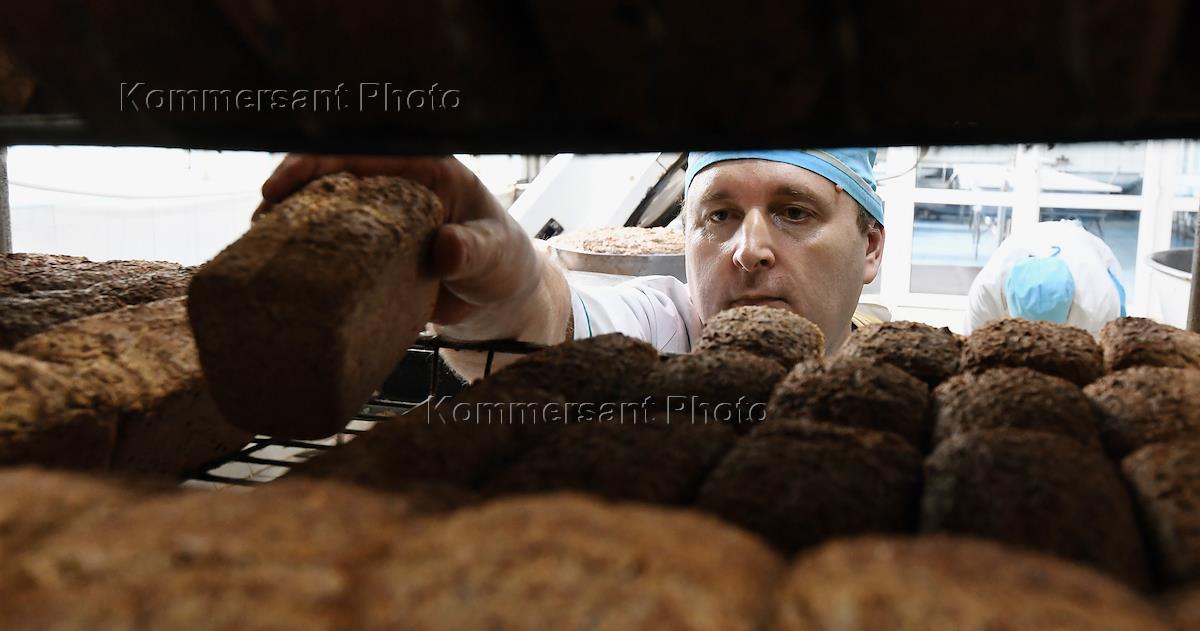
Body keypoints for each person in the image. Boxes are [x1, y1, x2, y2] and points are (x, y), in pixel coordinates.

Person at [255, 149, 886, 380]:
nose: (749, 249)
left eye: (794, 212)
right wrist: (500, 288)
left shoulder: (915, 388)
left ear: (871, 248)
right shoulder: (661, 332)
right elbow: (552, 324)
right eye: (719, 215)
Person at [965, 219, 1127, 335]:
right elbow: (972, 346)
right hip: (1033, 237)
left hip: (1083, 247)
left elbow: (1102, 358)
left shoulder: (1098, 301)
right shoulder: (987, 290)